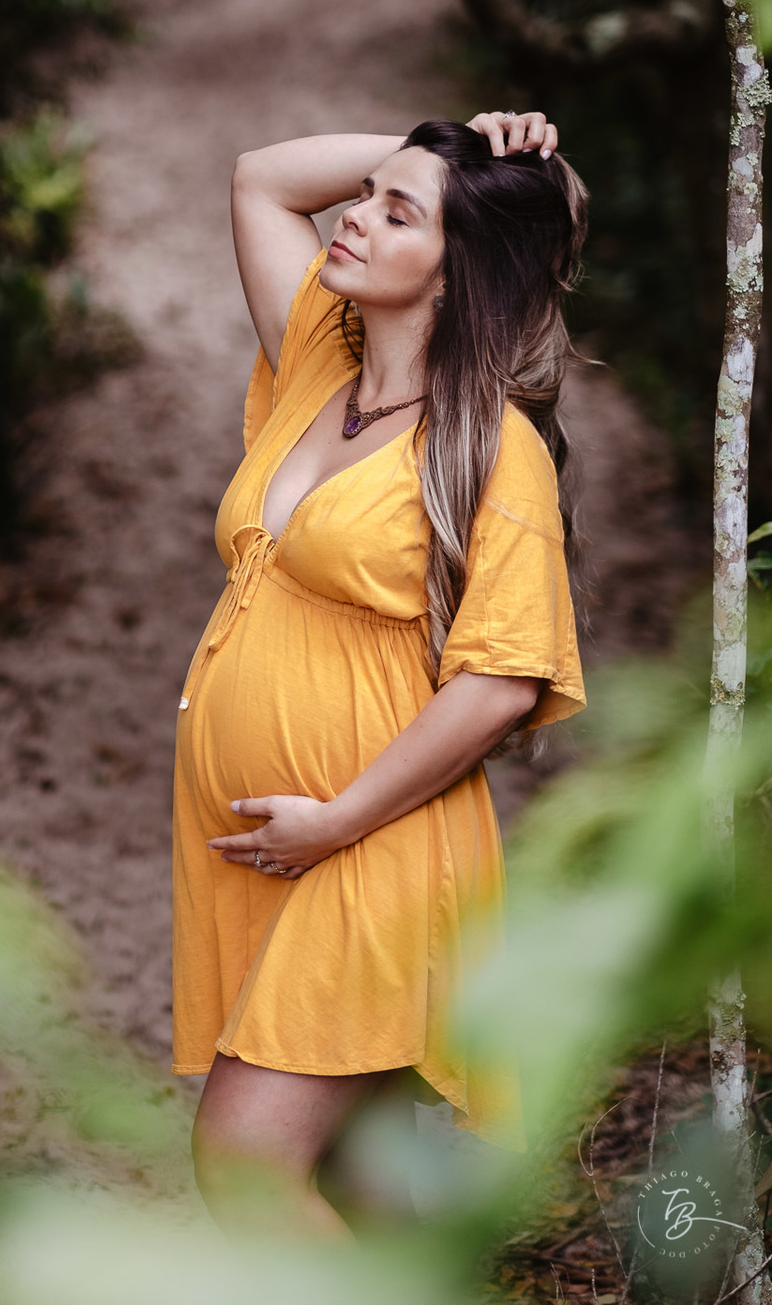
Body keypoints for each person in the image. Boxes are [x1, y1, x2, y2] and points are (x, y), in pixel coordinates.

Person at [170, 109, 589, 1237]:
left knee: (248, 1165)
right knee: (360, 1187)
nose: (354, 216)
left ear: (458, 278)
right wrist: (444, 151)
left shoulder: (494, 450)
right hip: (282, 849)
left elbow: (501, 682)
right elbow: (260, 175)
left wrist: (338, 819)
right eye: (367, 197)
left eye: (397, 216)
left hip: (375, 845)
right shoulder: (321, 362)